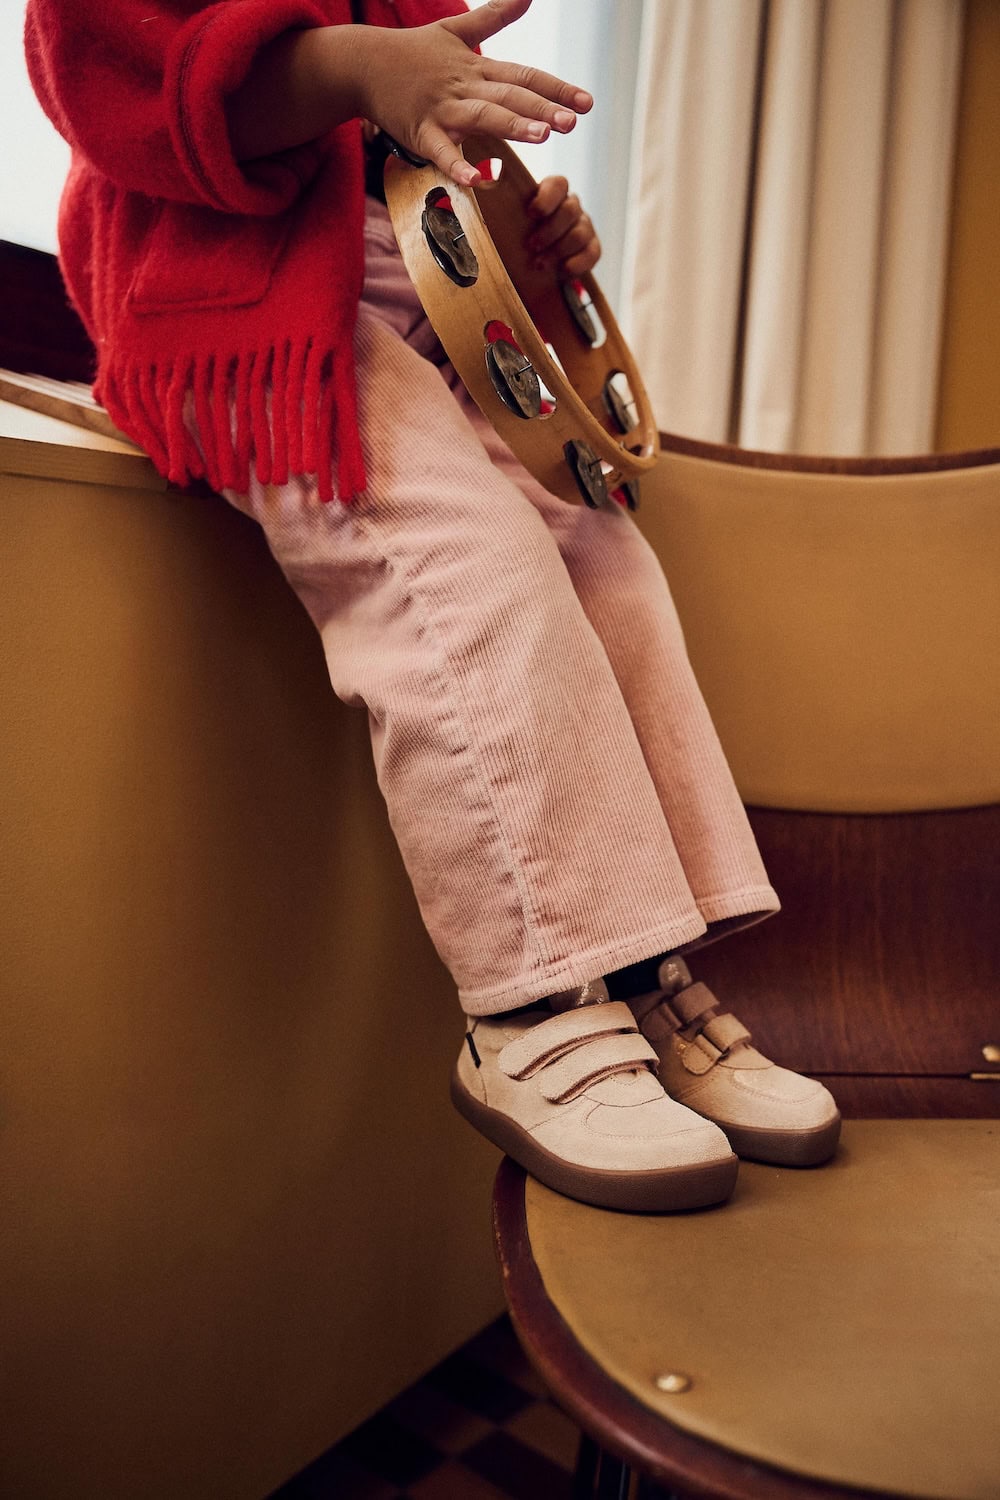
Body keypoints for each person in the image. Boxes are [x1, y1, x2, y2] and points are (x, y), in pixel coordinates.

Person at [24, 0, 840, 1213]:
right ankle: (532, 1007)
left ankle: (640, 969)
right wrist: (356, 66)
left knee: (606, 560)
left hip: (428, 324)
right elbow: (122, 85)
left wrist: (529, 240)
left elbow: (429, 189)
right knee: (466, 562)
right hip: (250, 324)